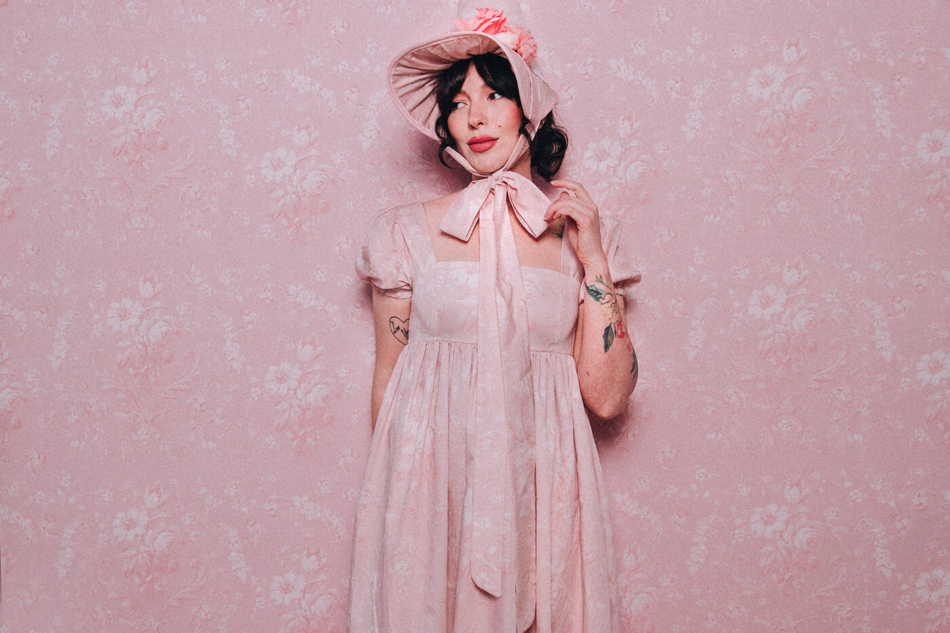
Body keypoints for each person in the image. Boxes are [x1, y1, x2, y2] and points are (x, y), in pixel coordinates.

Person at [349, 2, 640, 631]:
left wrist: (592, 260)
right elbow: (390, 384)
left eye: (493, 94)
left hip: (547, 491)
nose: (475, 117)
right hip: (434, 496)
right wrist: (404, 515)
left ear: (529, 105)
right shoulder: (405, 234)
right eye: (457, 102)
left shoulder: (582, 238)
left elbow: (610, 400)